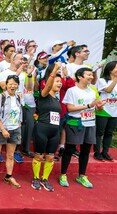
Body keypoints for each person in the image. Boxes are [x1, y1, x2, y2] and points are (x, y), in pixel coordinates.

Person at [60, 67, 105, 188]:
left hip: (90, 123)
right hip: (75, 123)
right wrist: (89, 105)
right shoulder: (72, 91)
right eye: (88, 75)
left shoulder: (92, 91)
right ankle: (63, 174)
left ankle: (82, 175)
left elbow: (96, 107)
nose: (91, 77)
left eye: (92, 75)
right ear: (80, 77)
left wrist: (99, 106)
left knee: (85, 150)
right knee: (69, 149)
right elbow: (70, 108)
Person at [31, 63, 62, 191]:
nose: (60, 84)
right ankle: (36, 178)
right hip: (42, 130)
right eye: (57, 81)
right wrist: (54, 69)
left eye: (61, 82)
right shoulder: (44, 95)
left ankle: (45, 179)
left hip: (55, 132)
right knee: (39, 155)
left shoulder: (57, 99)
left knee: (50, 156)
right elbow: (48, 84)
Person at [0, 75, 23, 189]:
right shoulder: (1, 97)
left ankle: (9, 176)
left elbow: (20, 113)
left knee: (10, 155)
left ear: (18, 85)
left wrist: (19, 123)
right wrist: (3, 129)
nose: (12, 86)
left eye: (15, 84)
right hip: (0, 129)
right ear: (6, 84)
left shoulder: (18, 97)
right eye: (10, 83)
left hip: (15, 129)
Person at [94, 61, 117, 161]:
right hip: (103, 110)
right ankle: (97, 153)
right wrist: (115, 79)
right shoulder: (102, 80)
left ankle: (105, 153)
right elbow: (108, 90)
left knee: (109, 133)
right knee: (99, 133)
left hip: (114, 111)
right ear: (110, 69)